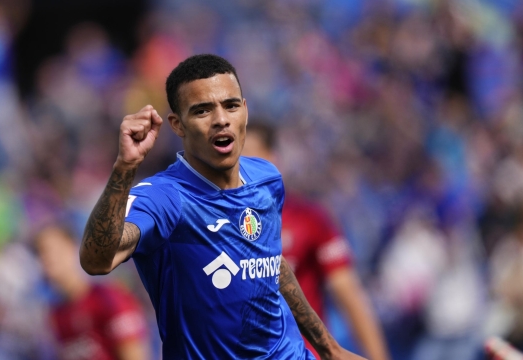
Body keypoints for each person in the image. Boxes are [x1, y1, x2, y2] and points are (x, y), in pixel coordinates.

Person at [79, 54, 365, 359]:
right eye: (202, 110)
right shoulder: (164, 197)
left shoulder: (266, 178)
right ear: (178, 124)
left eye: (230, 105)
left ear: (244, 110)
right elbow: (97, 260)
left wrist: (330, 349)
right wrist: (125, 167)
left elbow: (271, 263)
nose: (220, 119)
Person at [242, 122, 390, 360]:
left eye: (250, 156)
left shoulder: (308, 220)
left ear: (273, 159)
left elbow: (349, 294)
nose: (240, 166)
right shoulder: (212, 227)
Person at [34, 223, 151, 360]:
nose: (48, 258)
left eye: (53, 250)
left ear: (73, 248)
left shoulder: (108, 298)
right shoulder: (55, 316)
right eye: (41, 252)